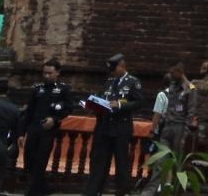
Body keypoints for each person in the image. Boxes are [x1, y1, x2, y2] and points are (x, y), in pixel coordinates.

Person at [82, 53, 143, 196]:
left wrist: (120, 105)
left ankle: (122, 192)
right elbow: (101, 97)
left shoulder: (132, 82)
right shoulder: (109, 81)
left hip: (121, 128)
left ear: (121, 66)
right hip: (104, 127)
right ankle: (93, 192)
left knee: (121, 163)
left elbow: (139, 102)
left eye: (113, 69)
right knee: (99, 162)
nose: (112, 72)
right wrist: (92, 105)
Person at [18, 57, 74, 196]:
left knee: (41, 160)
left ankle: (32, 192)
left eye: (50, 73)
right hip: (33, 127)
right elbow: (29, 111)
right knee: (29, 159)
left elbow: (68, 109)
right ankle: (44, 188)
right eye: (44, 73)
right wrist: (21, 133)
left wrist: (55, 119)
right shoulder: (37, 89)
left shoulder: (63, 89)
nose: (47, 76)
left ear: (57, 73)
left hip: (48, 130)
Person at [144, 64, 198, 195]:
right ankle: (150, 191)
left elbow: (191, 113)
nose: (171, 76)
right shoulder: (172, 86)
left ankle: (175, 191)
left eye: (173, 73)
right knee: (160, 160)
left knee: (177, 162)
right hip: (167, 127)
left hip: (180, 128)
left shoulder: (191, 88)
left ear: (180, 72)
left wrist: (185, 135)